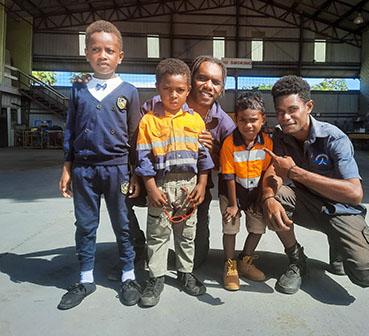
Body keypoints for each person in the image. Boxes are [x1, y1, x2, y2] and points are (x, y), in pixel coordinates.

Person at [262, 75, 369, 294]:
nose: (285, 117)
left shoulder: (335, 139)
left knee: (366, 273)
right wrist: (269, 198)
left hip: (341, 209)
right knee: (273, 196)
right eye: (280, 112)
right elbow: (274, 172)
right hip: (308, 204)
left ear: (308, 106)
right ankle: (297, 260)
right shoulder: (281, 137)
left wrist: (295, 172)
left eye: (292, 110)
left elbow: (355, 193)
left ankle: (338, 241)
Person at [58, 20, 142, 309]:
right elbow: (70, 129)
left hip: (117, 168)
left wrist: (136, 173)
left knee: (123, 223)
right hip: (84, 169)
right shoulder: (78, 88)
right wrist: (67, 166)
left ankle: (128, 276)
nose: (102, 55)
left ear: (120, 55)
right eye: (96, 49)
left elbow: (135, 135)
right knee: (85, 224)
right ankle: (85, 278)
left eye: (109, 50)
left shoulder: (129, 91)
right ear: (86, 53)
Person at [142, 56, 236, 268]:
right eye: (202, 78)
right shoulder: (154, 107)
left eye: (216, 82)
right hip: (155, 180)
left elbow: (230, 165)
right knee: (120, 194)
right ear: (191, 80)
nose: (208, 86)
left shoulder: (225, 125)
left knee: (197, 257)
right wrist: (140, 181)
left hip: (193, 187)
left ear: (222, 89)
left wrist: (214, 149)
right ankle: (137, 246)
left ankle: (186, 256)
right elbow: (137, 145)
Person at [135, 58, 214, 307]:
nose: (173, 94)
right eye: (168, 88)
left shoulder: (195, 121)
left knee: (186, 233)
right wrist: (150, 188)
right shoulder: (148, 121)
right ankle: (156, 277)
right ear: (158, 87)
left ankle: (185, 272)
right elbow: (143, 158)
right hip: (160, 185)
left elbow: (204, 158)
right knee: (157, 234)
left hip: (189, 186)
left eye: (180, 90)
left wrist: (201, 185)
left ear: (188, 90)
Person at [219, 92, 273, 291]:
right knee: (230, 226)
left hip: (254, 193)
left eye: (253, 120)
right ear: (236, 119)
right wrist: (233, 205)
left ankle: (245, 260)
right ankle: (230, 264)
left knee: (257, 227)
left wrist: (262, 196)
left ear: (262, 119)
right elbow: (228, 176)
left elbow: (267, 170)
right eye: (243, 120)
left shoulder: (267, 143)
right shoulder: (229, 144)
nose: (248, 125)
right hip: (231, 192)